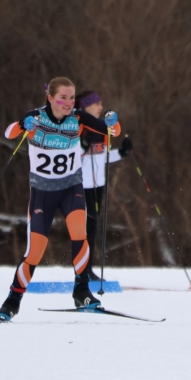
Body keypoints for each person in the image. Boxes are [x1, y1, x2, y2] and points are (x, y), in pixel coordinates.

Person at [0, 78, 119, 322]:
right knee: (35, 252)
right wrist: (22, 124)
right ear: (50, 98)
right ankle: (12, 301)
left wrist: (113, 122)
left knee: (79, 233)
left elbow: (109, 131)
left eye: (72, 98)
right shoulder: (37, 117)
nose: (68, 103)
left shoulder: (79, 118)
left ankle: (82, 292)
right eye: (63, 98)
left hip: (71, 187)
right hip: (42, 192)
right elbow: (9, 132)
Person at [77, 89, 133, 283]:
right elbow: (69, 158)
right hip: (80, 186)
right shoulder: (76, 125)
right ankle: (82, 270)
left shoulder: (102, 129)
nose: (101, 107)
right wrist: (83, 146)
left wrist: (122, 153)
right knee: (83, 230)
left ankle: (87, 269)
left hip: (98, 185)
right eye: (96, 104)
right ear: (85, 107)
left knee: (92, 228)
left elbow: (102, 157)